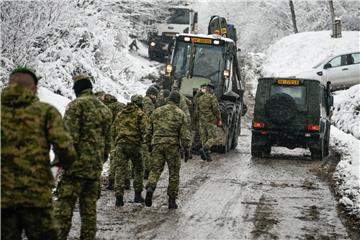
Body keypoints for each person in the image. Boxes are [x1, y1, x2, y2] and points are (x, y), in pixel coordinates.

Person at [1, 67, 77, 240]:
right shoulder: (46, 113)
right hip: (36, 194)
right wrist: (54, 168)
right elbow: (66, 151)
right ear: (35, 88)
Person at [54, 74, 112, 240]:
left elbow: (67, 138)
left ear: (77, 89)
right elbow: (108, 143)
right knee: (89, 212)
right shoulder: (105, 110)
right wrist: (99, 161)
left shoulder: (75, 106)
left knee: (64, 210)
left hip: (75, 168)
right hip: (94, 169)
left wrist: (60, 163)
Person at [144, 91, 191, 209]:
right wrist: (187, 149)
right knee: (174, 173)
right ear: (178, 101)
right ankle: (171, 200)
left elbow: (149, 130)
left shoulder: (157, 111)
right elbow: (185, 135)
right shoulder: (181, 114)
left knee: (155, 170)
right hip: (172, 146)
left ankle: (150, 187)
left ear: (168, 99)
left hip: (157, 144)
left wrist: (149, 144)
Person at [112, 94, 148, 206]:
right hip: (135, 145)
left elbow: (113, 129)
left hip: (120, 145)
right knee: (138, 169)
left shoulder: (120, 114)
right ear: (140, 103)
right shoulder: (140, 114)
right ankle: (137, 195)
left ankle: (119, 197)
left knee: (120, 170)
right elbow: (145, 130)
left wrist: (116, 141)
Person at [95, 91, 127, 190]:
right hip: (127, 133)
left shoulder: (108, 108)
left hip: (114, 134)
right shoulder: (121, 105)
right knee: (124, 158)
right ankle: (126, 180)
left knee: (114, 157)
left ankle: (112, 182)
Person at [195, 83, 222, 161]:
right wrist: (219, 119)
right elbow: (216, 110)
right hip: (210, 120)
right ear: (212, 90)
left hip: (201, 120)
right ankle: (204, 149)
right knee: (213, 137)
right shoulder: (212, 97)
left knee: (204, 137)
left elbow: (196, 107)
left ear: (206, 89)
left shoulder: (200, 98)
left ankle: (206, 156)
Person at [142, 85, 159, 179]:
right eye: (155, 95)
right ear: (152, 95)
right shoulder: (148, 103)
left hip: (142, 128)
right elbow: (150, 116)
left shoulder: (143, 100)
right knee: (147, 151)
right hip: (146, 128)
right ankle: (147, 171)